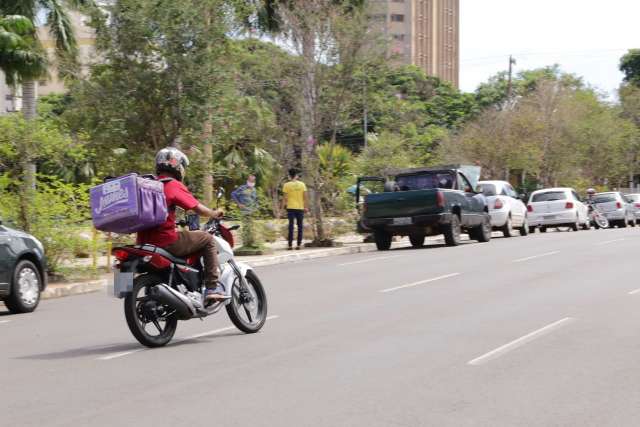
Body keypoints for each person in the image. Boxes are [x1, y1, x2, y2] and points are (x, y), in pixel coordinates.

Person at [137, 147, 229, 303]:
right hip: (166, 242)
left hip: (142, 243)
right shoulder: (171, 184)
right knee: (207, 239)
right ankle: (212, 288)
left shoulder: (147, 185)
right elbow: (196, 208)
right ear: (178, 166)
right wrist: (214, 213)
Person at [282, 168, 309, 250]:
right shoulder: (302, 184)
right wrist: (306, 207)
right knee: (300, 226)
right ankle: (298, 245)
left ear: (289, 176)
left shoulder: (286, 185)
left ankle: (290, 245)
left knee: (291, 226)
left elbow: (285, 198)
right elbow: (305, 197)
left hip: (290, 208)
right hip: (300, 208)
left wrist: (282, 209)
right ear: (296, 176)